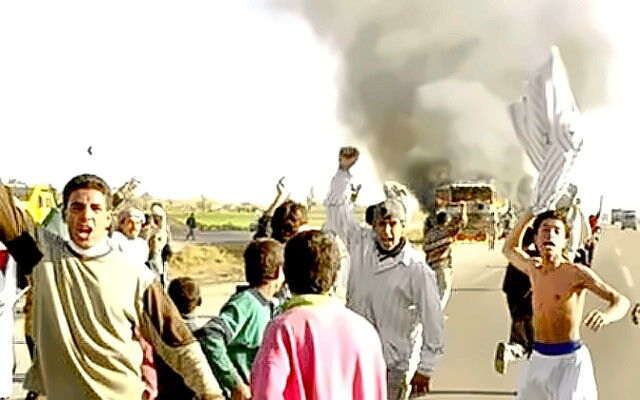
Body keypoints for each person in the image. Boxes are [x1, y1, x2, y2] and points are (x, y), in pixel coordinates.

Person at [0, 174, 219, 400]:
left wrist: (212, 393)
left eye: (95, 208)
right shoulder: (42, 256)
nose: (86, 216)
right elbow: (4, 210)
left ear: (108, 218)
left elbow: (179, 342)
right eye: (76, 208)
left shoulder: (137, 276)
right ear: (65, 215)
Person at [324, 147, 444, 399]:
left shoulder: (416, 269)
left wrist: (426, 368)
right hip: (354, 358)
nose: (387, 233)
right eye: (382, 225)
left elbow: (433, 322)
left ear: (403, 227)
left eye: (393, 225)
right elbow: (337, 213)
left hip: (394, 366)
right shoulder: (361, 243)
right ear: (374, 225)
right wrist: (343, 173)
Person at [503, 209, 630, 399]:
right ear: (536, 239)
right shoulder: (533, 269)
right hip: (538, 357)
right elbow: (508, 249)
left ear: (565, 242)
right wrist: (530, 213)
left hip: (570, 361)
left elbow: (621, 300)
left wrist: (606, 316)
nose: (550, 235)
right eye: (545, 230)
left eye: (557, 231)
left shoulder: (575, 273)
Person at [251, 230, 387, 399]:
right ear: (336, 276)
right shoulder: (366, 331)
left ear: (285, 273)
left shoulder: (283, 329)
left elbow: (266, 393)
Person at [198, 239, 284, 400]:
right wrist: (234, 382)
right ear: (279, 272)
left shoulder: (270, 306)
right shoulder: (246, 303)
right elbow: (210, 335)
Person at [494, 227, 537, 374]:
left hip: (515, 305)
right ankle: (536, 381)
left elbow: (507, 287)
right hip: (532, 307)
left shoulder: (515, 260)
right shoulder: (534, 259)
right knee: (534, 346)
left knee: (521, 341)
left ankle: (509, 350)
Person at [422, 203, 468, 310]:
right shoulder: (447, 232)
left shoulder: (429, 233)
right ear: (446, 222)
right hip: (441, 265)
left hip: (429, 264)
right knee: (444, 290)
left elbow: (427, 223)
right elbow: (463, 222)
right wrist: (463, 208)